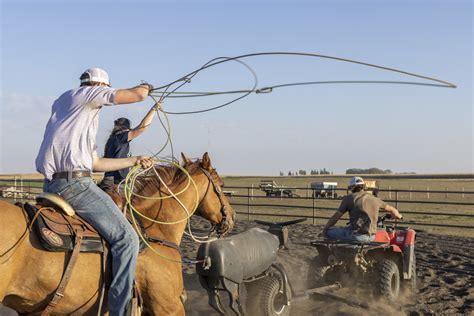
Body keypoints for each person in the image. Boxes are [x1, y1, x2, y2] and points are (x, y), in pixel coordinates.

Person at [35, 67, 154, 316]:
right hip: (75, 187)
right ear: (101, 86)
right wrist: (146, 87)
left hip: (52, 184)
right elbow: (137, 96)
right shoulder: (87, 95)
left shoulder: (71, 111)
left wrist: (134, 160)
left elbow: (96, 164)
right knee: (127, 238)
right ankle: (120, 311)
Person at [321, 176, 402, 242]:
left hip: (356, 236)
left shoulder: (349, 198)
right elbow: (392, 210)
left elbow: (336, 217)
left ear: (351, 187)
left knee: (330, 232)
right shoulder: (375, 199)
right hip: (371, 236)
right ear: (363, 186)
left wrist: (325, 229)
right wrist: (399, 216)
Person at [101, 102, 160, 188]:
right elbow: (142, 127)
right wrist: (154, 109)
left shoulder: (112, 139)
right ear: (127, 129)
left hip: (110, 179)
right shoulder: (121, 137)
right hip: (117, 182)